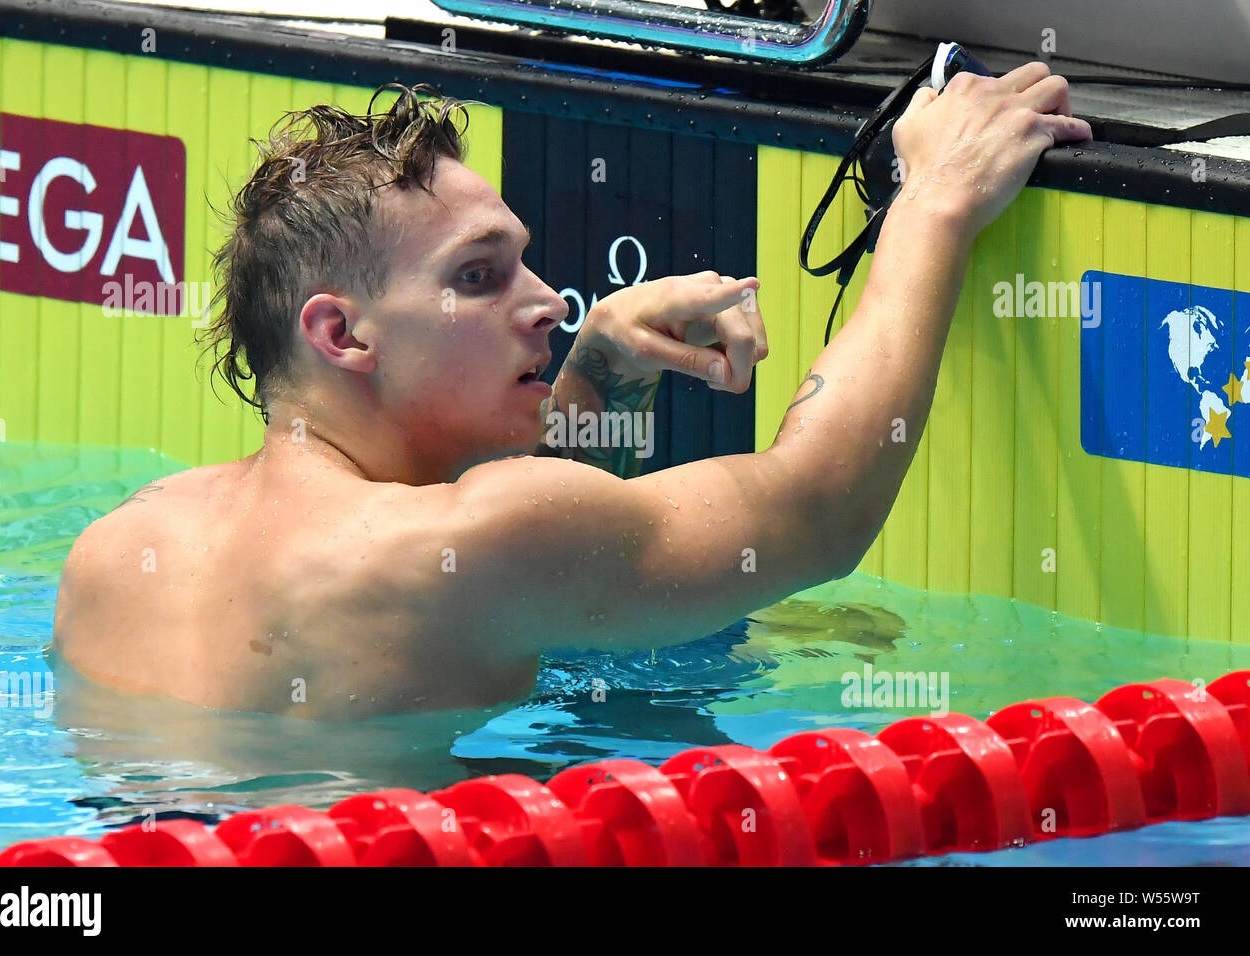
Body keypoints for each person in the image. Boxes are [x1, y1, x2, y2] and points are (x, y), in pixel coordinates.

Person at [53, 72, 1091, 720]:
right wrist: (934, 202)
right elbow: (816, 506)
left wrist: (598, 371)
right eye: (479, 276)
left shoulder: (116, 546)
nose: (548, 301)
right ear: (342, 333)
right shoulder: (465, 537)